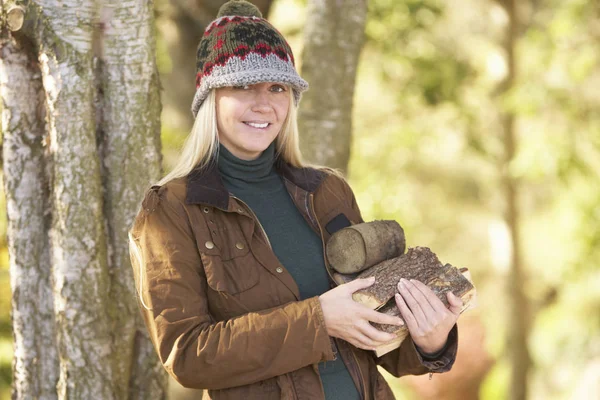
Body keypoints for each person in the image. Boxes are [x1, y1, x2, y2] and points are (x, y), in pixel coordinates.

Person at [128, 1, 463, 399]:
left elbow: (379, 336)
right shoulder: (170, 211)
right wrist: (317, 320)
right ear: (210, 98)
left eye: (277, 88)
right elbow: (187, 355)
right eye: (243, 86)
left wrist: (431, 341)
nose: (264, 103)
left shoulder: (326, 192)